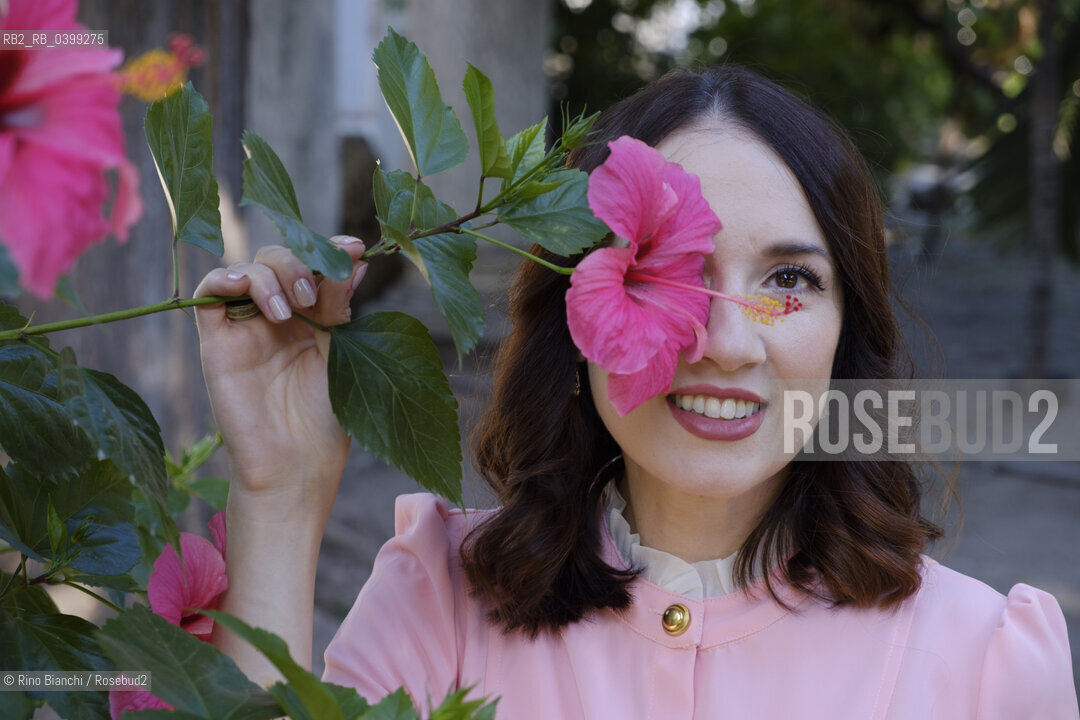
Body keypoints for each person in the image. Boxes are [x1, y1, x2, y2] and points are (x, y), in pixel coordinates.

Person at [194, 65, 1079, 718]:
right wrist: (280, 492)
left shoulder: (985, 666)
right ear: (578, 319)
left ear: (847, 333)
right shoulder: (439, 604)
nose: (727, 343)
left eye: (792, 282)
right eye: (670, 273)